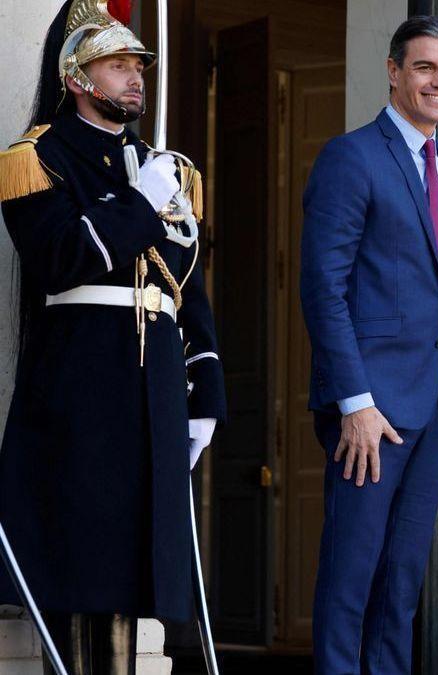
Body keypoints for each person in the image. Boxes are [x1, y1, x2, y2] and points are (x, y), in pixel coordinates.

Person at [0, 1, 226, 673]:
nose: (136, 78)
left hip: (153, 384)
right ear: (77, 77)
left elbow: (188, 289)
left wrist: (207, 389)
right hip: (80, 379)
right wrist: (137, 202)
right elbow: (60, 255)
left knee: (132, 568)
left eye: (138, 65)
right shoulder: (35, 156)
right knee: (78, 561)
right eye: (118, 64)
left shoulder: (170, 170)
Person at [300, 15, 438, 675]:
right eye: (426, 67)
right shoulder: (351, 157)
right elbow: (323, 290)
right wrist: (354, 400)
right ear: (395, 71)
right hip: (367, 413)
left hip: (430, 413)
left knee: (401, 588)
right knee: (352, 580)